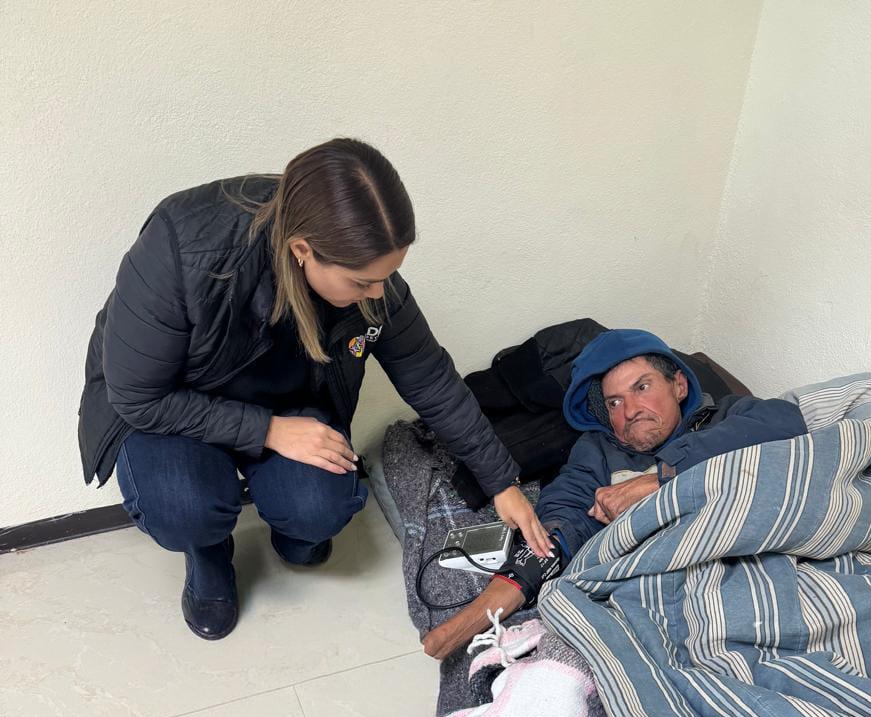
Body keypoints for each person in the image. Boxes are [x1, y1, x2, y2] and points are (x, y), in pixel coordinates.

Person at [79, 139, 549, 639]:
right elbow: (139, 397)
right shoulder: (182, 244)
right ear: (302, 250)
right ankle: (208, 553)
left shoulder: (369, 279)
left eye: (388, 277)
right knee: (182, 508)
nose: (378, 294)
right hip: (173, 409)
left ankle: (294, 532)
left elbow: (431, 379)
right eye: (362, 282)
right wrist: (268, 431)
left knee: (320, 507)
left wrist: (501, 481)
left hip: (284, 402)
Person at [423, 328, 806, 660]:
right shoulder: (599, 451)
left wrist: (662, 477)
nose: (631, 410)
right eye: (614, 402)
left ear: (679, 385)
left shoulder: (725, 417)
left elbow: (787, 424)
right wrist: (496, 598)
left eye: (642, 387)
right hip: (675, 594)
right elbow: (564, 513)